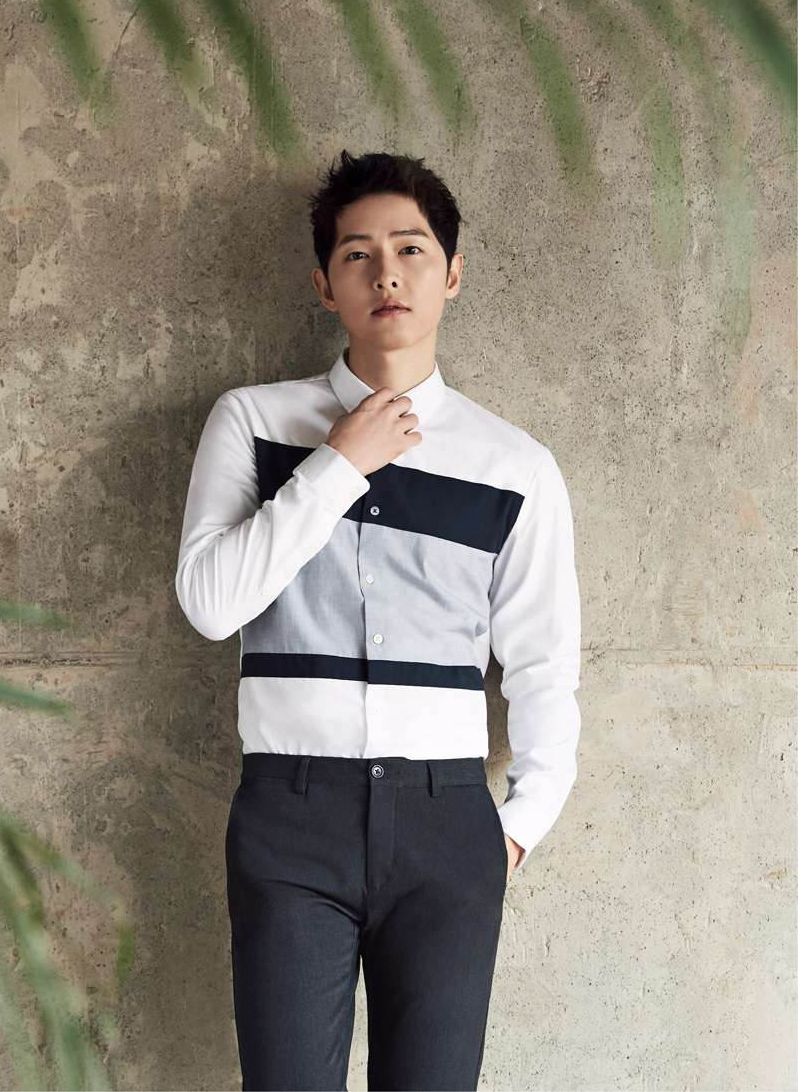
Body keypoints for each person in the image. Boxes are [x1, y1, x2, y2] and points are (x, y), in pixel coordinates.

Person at [175, 150, 582, 1092]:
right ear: (326, 283)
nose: (386, 273)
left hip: (449, 826)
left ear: (453, 272)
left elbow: (544, 666)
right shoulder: (254, 423)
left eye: (410, 249)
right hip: (290, 817)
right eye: (357, 254)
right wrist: (337, 466)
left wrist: (515, 828)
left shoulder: (514, 465)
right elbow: (209, 602)